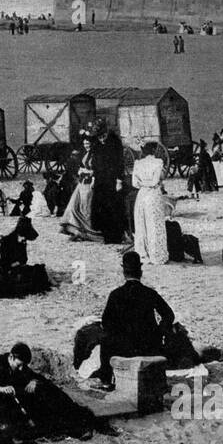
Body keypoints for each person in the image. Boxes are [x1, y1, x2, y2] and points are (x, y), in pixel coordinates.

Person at [95, 251, 182, 387]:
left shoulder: (116, 294)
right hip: (149, 345)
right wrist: (160, 329)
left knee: (105, 340)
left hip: (124, 348)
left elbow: (106, 322)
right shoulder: (150, 293)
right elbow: (168, 314)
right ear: (140, 271)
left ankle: (106, 380)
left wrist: (117, 332)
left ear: (124, 271)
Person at [89, 119, 127, 243]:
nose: (101, 138)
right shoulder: (96, 143)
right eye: (99, 137)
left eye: (102, 136)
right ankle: (106, 235)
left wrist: (119, 180)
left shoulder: (115, 142)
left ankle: (116, 236)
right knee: (102, 208)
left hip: (112, 180)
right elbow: (94, 162)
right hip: (100, 181)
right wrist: (94, 178)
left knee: (114, 208)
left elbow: (120, 163)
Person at [131, 142, 168, 264]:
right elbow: (155, 181)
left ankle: (143, 254)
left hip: (142, 194)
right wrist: (151, 184)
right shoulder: (158, 163)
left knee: (142, 224)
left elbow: (134, 183)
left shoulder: (138, 163)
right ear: (154, 151)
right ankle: (156, 254)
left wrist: (143, 184)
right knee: (154, 223)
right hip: (153, 194)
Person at [59, 135, 101, 242]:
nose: (86, 146)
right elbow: (83, 166)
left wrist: (88, 173)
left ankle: (87, 230)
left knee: (86, 206)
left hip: (90, 183)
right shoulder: (86, 154)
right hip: (82, 183)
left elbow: (96, 170)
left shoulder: (96, 155)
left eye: (88, 144)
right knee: (74, 205)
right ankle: (74, 226)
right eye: (85, 144)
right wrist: (81, 171)